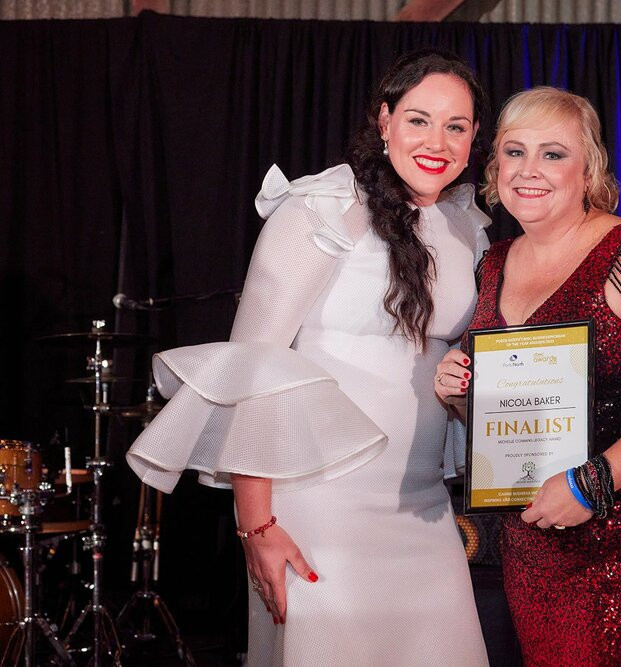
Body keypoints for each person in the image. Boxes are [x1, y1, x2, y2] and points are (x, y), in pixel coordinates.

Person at [127, 49, 491, 666]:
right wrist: (256, 526)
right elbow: (254, 366)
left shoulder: (464, 228)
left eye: (456, 126)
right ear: (384, 119)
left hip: (424, 506)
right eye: (419, 119)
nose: (438, 141)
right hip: (319, 504)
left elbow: (448, 368)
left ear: (475, 135)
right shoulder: (322, 209)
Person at [434, 86, 621, 665]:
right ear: (494, 168)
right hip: (536, 540)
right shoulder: (492, 262)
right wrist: (460, 393)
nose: (529, 170)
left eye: (553, 153)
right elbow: (509, 416)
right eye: (514, 152)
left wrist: (591, 483)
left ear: (588, 168)